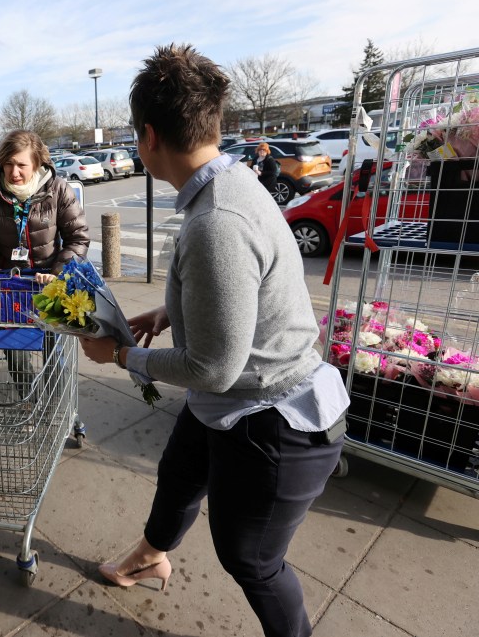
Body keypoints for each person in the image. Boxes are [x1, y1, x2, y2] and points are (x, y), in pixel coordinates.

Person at [78, 44, 348, 637]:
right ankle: (150, 556)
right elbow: (237, 294)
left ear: (148, 136)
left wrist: (123, 354)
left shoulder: (216, 222)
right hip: (235, 400)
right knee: (178, 475)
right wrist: (169, 312)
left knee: (250, 558)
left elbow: (213, 369)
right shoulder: (229, 182)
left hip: (269, 417)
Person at [0, 129, 89, 287]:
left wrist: (59, 272)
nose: (14, 172)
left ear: (37, 164)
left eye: (21, 165)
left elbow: (77, 238)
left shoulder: (59, 190)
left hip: (51, 281)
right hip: (9, 284)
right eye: (8, 164)